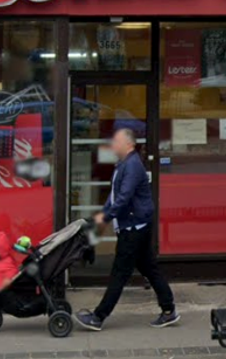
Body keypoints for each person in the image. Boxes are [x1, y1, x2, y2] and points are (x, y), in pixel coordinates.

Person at [76, 127, 179, 331]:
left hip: (134, 228)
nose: (113, 144)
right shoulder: (123, 163)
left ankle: (98, 317)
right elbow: (114, 195)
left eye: (117, 141)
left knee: (119, 273)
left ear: (129, 144)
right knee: (149, 268)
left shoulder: (132, 165)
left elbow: (124, 197)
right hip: (136, 225)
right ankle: (169, 311)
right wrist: (102, 214)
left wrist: (106, 217)